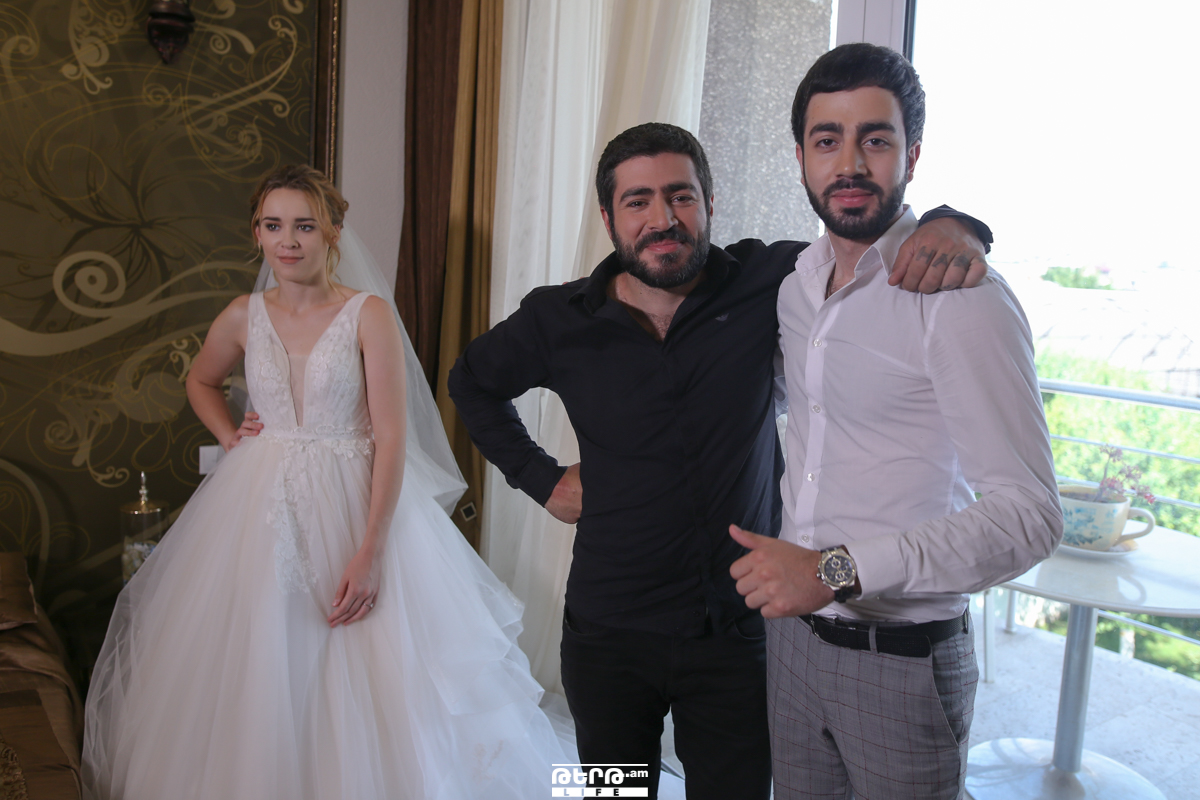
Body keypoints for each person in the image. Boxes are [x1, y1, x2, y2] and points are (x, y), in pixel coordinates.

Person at [447, 121, 992, 800]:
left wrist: (954, 222)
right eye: (638, 201)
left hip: (739, 633)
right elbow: (470, 382)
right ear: (609, 218)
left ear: (709, 202)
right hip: (609, 632)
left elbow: (861, 244)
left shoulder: (770, 281)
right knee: (614, 793)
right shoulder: (557, 318)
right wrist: (541, 478)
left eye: (680, 196)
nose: (662, 218)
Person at [82, 165, 570, 799]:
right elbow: (200, 380)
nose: (288, 241)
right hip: (257, 506)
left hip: (354, 506)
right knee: (260, 658)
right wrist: (231, 437)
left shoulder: (367, 315)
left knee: (367, 667)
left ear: (334, 232)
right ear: (256, 233)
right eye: (273, 225)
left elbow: (391, 437)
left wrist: (370, 551)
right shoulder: (242, 315)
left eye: (305, 226)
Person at [728, 43, 1063, 800]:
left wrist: (831, 571)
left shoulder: (961, 298)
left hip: (900, 660)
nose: (849, 163)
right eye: (827, 140)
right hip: (791, 644)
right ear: (800, 158)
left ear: (912, 154)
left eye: (874, 139)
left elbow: (1030, 517)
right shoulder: (796, 288)